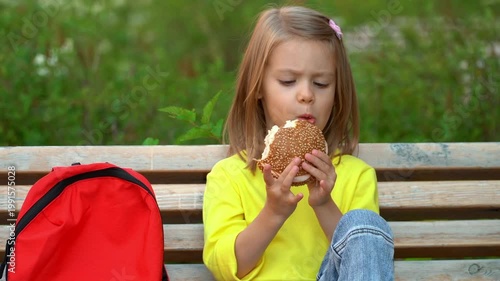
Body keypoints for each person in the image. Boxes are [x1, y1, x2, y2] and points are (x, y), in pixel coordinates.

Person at [202, 5, 394, 281]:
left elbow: (365, 260)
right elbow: (226, 267)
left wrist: (324, 203)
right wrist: (273, 212)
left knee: (362, 226)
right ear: (257, 87)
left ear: (338, 92)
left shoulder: (355, 176)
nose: (306, 95)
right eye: (288, 81)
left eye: (322, 84)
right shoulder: (230, 177)